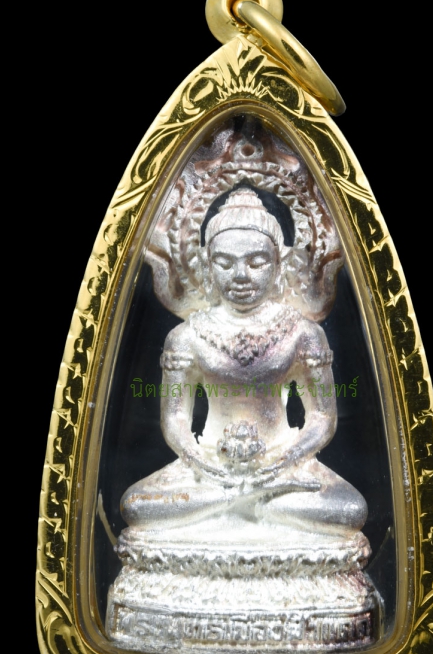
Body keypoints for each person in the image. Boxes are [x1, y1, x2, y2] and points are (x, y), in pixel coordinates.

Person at [121, 189, 367, 537]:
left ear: (279, 262)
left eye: (256, 262)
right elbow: (175, 418)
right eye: (224, 263)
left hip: (283, 468)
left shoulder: (303, 333)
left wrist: (281, 462)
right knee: (136, 505)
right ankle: (243, 500)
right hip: (209, 468)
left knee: (350, 511)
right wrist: (203, 463)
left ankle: (240, 500)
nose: (240, 275)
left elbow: (323, 418)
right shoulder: (186, 336)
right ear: (207, 265)